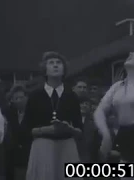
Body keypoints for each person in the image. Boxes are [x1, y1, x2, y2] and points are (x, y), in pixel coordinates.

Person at [21, 51, 82, 180]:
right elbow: (25, 129)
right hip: (42, 147)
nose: (55, 65)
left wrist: (69, 129)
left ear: (64, 69)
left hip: (67, 147)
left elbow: (80, 129)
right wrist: (44, 130)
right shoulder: (35, 96)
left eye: (59, 63)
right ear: (45, 69)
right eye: (51, 63)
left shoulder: (72, 96)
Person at [5, 85, 29, 180]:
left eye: (21, 97)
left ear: (27, 97)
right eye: (16, 98)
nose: (19, 100)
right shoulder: (9, 113)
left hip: (29, 154)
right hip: (13, 156)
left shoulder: (33, 113)